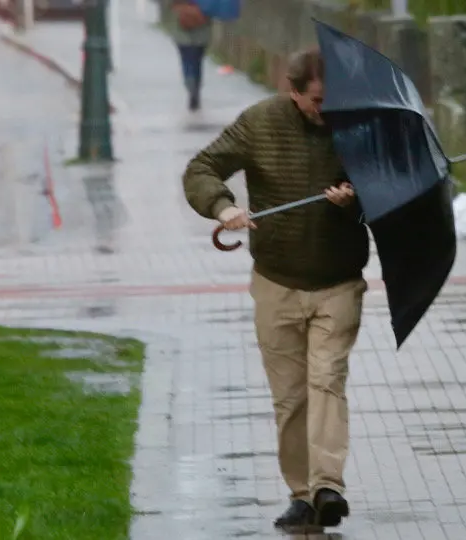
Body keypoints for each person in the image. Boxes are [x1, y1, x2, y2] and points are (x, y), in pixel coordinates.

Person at [182, 49, 369, 531]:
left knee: (327, 380)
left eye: (333, 101)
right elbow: (201, 168)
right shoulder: (260, 122)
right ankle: (302, 494)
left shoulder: (359, 127)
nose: (326, 111)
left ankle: (328, 486)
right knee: (290, 397)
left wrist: (353, 201)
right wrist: (223, 208)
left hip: (339, 281)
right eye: (317, 101)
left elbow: (384, 196)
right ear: (294, 91)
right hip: (276, 282)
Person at [164, 0, 212, 111]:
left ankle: (191, 88)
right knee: (197, 63)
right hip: (202, 32)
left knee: (186, 62)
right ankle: (196, 90)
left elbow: (170, 6)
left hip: (182, 32)